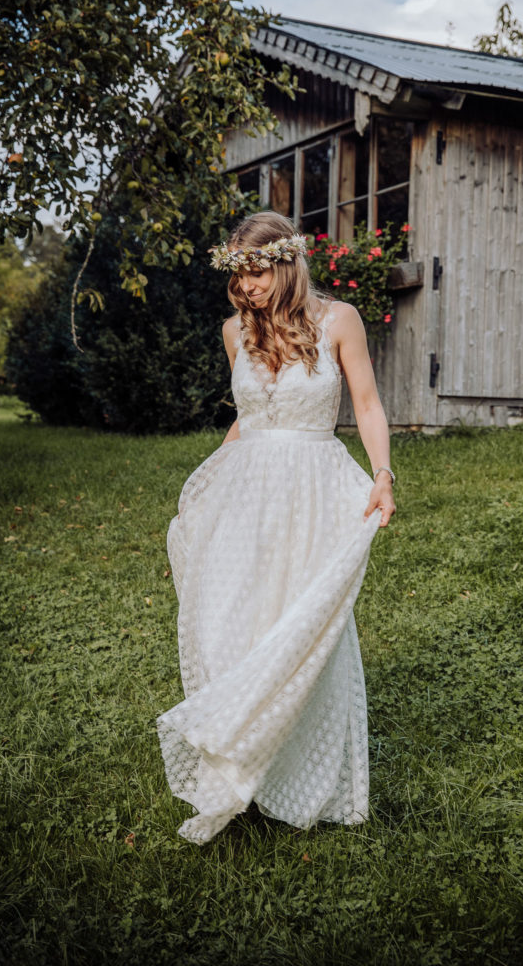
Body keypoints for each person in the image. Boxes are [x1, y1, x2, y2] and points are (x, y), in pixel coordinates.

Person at [157, 210, 396, 845]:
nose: (245, 289)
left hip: (314, 486)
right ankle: (236, 759)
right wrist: (209, 483)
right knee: (228, 618)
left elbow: (366, 404)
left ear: (287, 264)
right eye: (236, 278)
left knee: (298, 622)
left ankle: (294, 768)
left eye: (255, 273)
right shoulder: (236, 331)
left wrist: (383, 475)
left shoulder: (339, 321)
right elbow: (247, 418)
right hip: (246, 487)